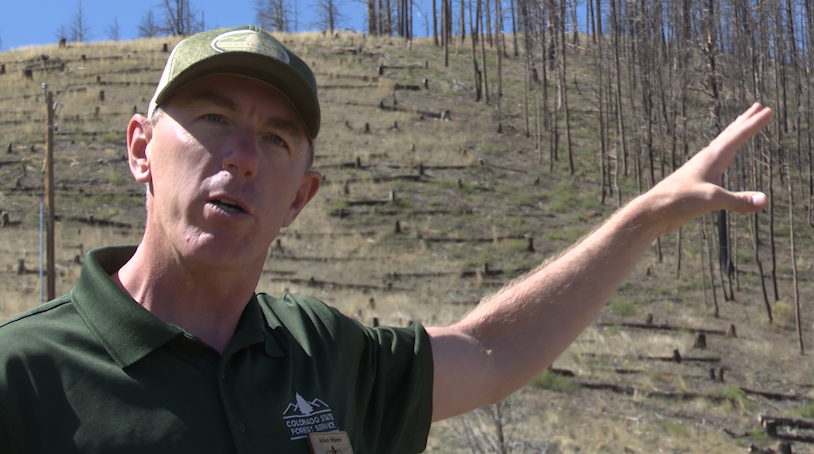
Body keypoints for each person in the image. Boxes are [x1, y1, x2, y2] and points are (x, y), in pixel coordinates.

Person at [0, 25, 772, 454]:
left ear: (300, 197)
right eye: (212, 118)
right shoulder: (22, 375)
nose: (242, 155)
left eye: (276, 137)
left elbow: (492, 350)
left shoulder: (322, 353)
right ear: (140, 148)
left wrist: (644, 217)